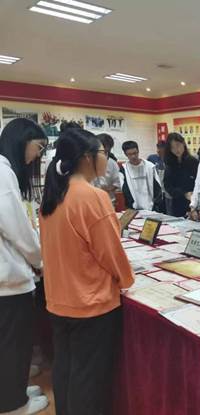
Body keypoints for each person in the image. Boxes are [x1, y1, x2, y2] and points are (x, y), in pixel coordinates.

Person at [39, 127, 134, 415]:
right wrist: (127, 279)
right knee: (89, 379)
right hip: (91, 304)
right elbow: (111, 254)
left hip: (58, 299)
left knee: (66, 368)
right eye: (103, 152)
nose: (107, 158)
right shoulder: (92, 196)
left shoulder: (54, 193)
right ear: (87, 158)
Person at [0, 118, 49, 414]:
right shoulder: (3, 172)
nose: (38, 155)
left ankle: (12, 390)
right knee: (13, 344)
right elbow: (16, 227)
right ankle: (13, 404)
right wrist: (40, 259)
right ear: (22, 141)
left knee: (9, 344)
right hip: (8, 280)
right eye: (38, 147)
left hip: (8, 276)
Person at [120, 140, 163, 211]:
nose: (133, 156)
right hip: (133, 208)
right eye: (130, 154)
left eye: (135, 153)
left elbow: (157, 187)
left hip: (151, 207)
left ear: (138, 151)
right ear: (125, 154)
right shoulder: (123, 169)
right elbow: (125, 190)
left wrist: (156, 205)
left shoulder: (150, 166)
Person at [163, 133, 198, 217]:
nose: (176, 150)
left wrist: (192, 194)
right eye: (172, 148)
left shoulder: (193, 162)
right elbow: (167, 186)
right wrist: (183, 193)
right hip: (177, 203)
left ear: (183, 143)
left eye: (178, 145)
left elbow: (199, 182)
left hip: (194, 201)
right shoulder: (169, 164)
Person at [91, 133, 121, 206]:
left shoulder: (112, 163)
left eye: (107, 150)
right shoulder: (88, 161)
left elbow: (117, 183)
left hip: (108, 201)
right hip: (91, 201)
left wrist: (108, 189)